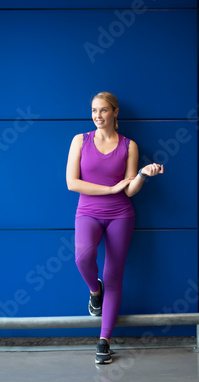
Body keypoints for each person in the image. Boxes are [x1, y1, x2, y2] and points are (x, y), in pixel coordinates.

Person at [66, 92, 163, 365]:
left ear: (115, 112)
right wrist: (109, 189)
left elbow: (130, 189)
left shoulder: (129, 145)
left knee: (114, 275)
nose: (98, 115)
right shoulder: (80, 141)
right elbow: (72, 183)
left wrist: (143, 175)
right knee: (83, 257)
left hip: (120, 214)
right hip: (88, 212)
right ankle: (94, 291)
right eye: (94, 110)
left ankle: (104, 340)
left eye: (104, 110)